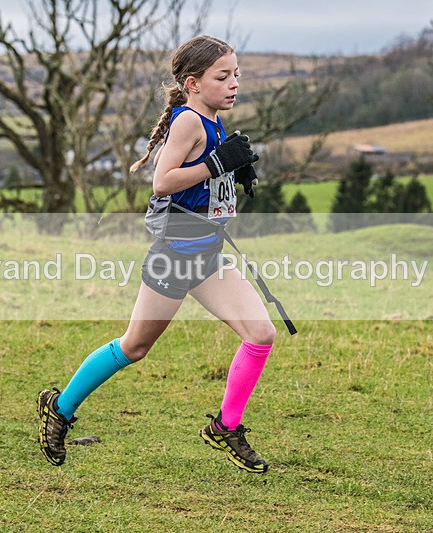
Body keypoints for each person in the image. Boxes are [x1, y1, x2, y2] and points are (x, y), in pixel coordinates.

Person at [37, 35, 277, 474]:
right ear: (193, 83)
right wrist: (217, 165)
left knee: (260, 334)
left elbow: (202, 181)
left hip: (207, 257)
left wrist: (231, 173)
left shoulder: (215, 121)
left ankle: (226, 426)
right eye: (223, 76)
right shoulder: (190, 121)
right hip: (174, 258)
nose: (234, 83)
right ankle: (60, 407)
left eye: (237, 74)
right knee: (134, 346)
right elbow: (162, 182)